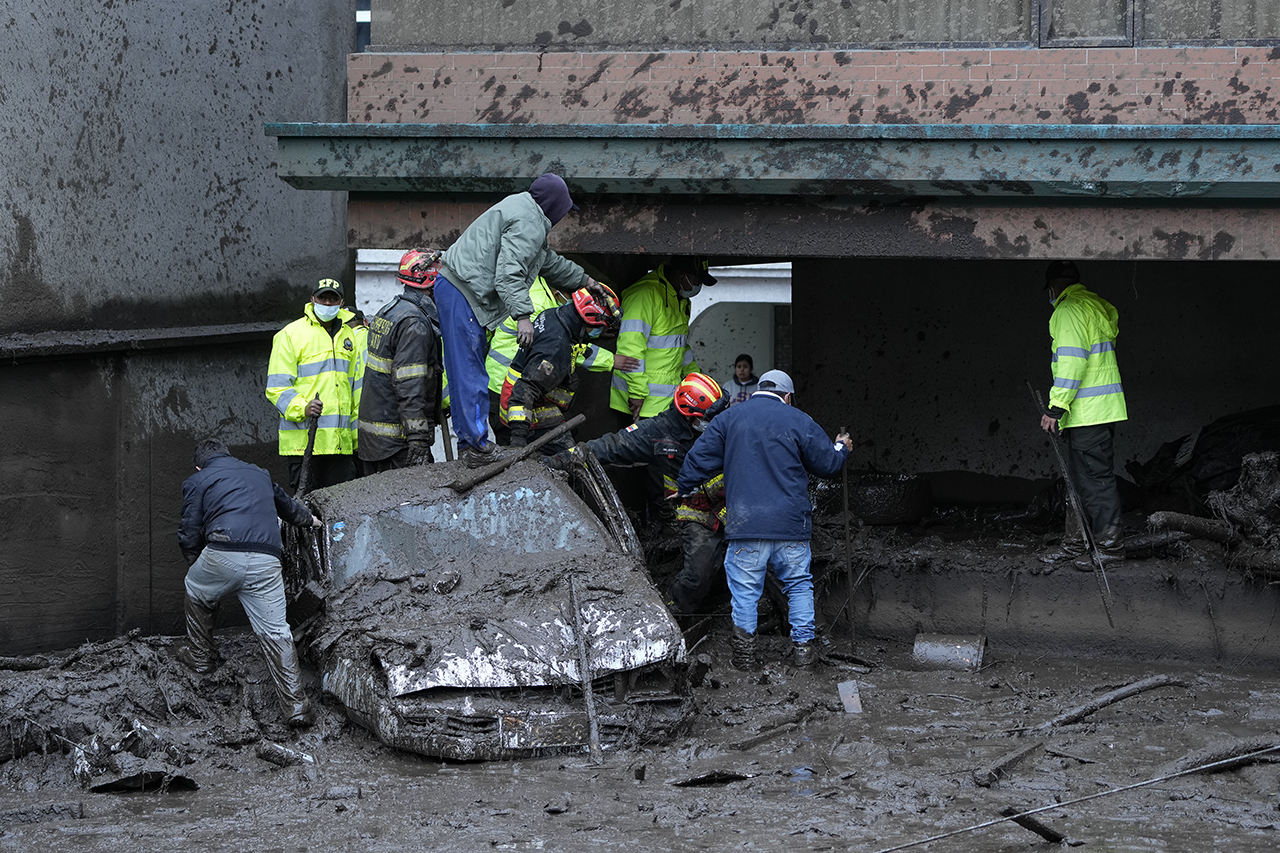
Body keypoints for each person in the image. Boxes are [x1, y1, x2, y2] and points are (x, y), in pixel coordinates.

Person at [677, 370, 851, 671]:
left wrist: (683, 488)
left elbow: (695, 462)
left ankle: (745, 655)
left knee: (745, 592)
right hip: (791, 526)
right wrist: (841, 447)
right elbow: (829, 464)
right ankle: (803, 651)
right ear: (788, 396)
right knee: (797, 586)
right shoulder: (798, 419)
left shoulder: (729, 419)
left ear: (759, 390)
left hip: (746, 526)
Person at [435, 172, 611, 468]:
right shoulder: (530, 222)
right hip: (462, 292)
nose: (563, 217)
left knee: (470, 370)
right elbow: (509, 274)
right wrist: (523, 317)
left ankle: (472, 444)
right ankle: (475, 446)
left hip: (460, 291)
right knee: (469, 372)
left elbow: (548, 262)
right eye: (564, 211)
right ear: (555, 206)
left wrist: (586, 280)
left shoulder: (524, 212)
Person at [548, 373, 729, 614]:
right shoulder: (659, 431)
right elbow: (609, 446)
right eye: (706, 418)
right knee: (699, 573)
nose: (714, 421)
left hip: (736, 505)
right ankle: (673, 613)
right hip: (697, 514)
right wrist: (554, 462)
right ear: (689, 415)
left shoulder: (726, 424)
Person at [176, 438, 322, 727]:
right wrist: (312, 522)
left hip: (223, 551)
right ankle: (296, 707)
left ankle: (201, 657)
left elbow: (189, 529)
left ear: (198, 465)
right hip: (267, 559)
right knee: (277, 631)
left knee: (195, 587)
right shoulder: (259, 473)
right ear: (229, 455)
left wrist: (196, 562)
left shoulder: (198, 479)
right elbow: (289, 508)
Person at [1038, 260, 1128, 568]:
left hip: (1088, 413)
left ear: (1051, 287)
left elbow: (1072, 364)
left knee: (1095, 481)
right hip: (1098, 411)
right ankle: (1075, 542)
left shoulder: (1067, 311)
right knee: (1078, 481)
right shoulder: (1094, 306)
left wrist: (1055, 408)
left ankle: (1111, 548)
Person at [485, 277, 639, 444]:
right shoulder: (543, 317)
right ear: (559, 291)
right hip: (510, 389)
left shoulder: (552, 312)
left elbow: (570, 345)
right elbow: (560, 350)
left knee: (562, 439)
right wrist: (518, 438)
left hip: (526, 391)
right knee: (516, 447)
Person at [266, 278, 361, 491]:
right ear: (312, 299)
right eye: (323, 298)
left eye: (333, 299)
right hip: (304, 444)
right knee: (308, 513)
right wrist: (303, 407)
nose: (327, 303)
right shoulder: (290, 335)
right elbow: (277, 387)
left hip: (340, 446)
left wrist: (355, 441)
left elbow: (353, 390)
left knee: (341, 511)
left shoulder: (348, 337)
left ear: (341, 302)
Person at [359, 249, 441, 472]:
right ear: (431, 282)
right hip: (398, 441)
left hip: (374, 439)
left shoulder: (389, 311)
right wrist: (417, 437)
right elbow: (409, 382)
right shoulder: (415, 324)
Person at [609, 257, 716, 423]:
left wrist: (696, 379)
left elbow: (678, 346)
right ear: (683, 277)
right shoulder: (644, 295)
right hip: (639, 403)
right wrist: (637, 393)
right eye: (697, 281)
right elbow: (631, 348)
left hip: (664, 403)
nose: (698, 287)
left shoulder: (681, 300)